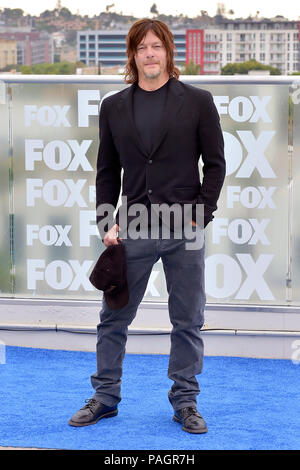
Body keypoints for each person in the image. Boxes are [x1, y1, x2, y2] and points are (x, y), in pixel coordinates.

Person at [69, 18, 225, 434]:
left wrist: (201, 213)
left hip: (184, 228)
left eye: (157, 46)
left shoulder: (197, 101)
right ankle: (105, 398)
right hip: (132, 226)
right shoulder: (115, 106)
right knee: (113, 318)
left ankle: (186, 401)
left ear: (168, 53)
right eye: (142, 48)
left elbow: (215, 165)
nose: (150, 54)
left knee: (187, 319)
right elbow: (106, 171)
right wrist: (106, 222)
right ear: (133, 55)